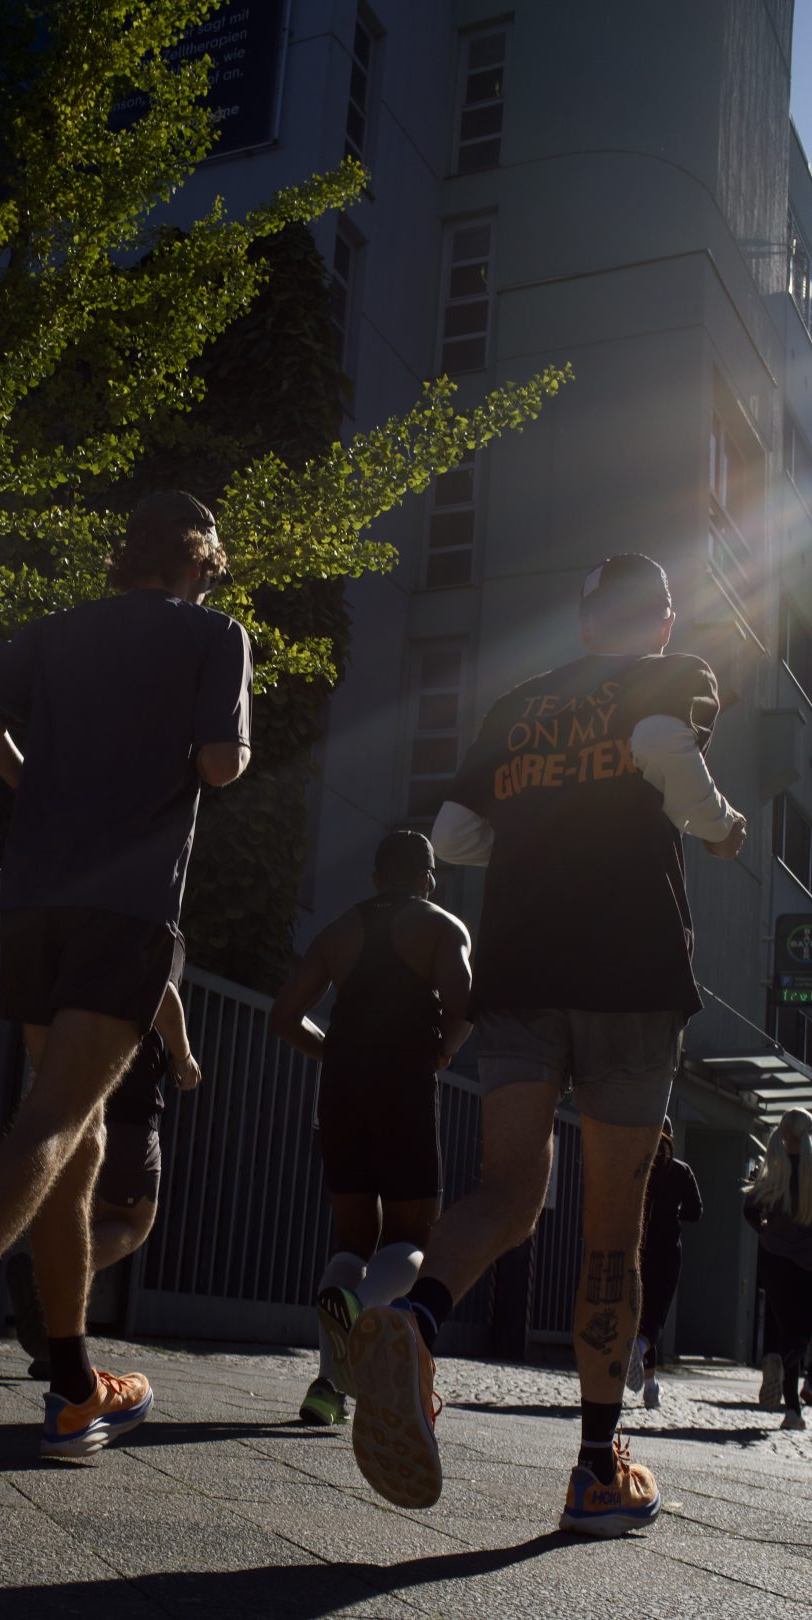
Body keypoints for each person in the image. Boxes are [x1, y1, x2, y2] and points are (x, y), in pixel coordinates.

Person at [0, 491, 252, 1487]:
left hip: (35, 897)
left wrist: (33, 783)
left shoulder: (64, 631)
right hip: (126, 902)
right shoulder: (215, 636)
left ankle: (73, 1389)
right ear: (199, 561)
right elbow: (221, 764)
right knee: (58, 1118)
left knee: (81, 1138)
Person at [343, 553, 746, 1536]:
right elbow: (663, 744)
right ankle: (597, 1470)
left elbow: (453, 834)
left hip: (520, 974)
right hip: (631, 980)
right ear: (661, 620)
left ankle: (415, 1318)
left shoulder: (518, 705)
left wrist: (539, 832)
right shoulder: (676, 673)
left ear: (583, 619)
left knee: (508, 1190)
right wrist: (724, 828)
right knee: (612, 1229)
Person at [270, 830, 472, 1426]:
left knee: (352, 1240)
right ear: (428, 880)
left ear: (377, 877)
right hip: (403, 1085)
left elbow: (283, 1016)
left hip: (341, 1089)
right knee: (412, 1240)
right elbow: (467, 1005)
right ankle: (358, 1309)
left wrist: (332, 1052)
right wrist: (443, 1049)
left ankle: (327, 1389)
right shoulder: (442, 926)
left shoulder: (337, 932)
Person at [7, 975, 201, 1377]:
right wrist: (183, 1057)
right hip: (130, 1108)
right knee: (134, 1222)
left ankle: (55, 1348)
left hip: (80, 1099)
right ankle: (44, 1275)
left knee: (83, 1217)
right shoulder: (155, 938)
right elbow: (162, 988)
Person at [625, 1116, 702, 1408]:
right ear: (671, 1134)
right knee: (657, 1314)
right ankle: (640, 1348)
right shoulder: (681, 1171)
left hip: (638, 1246)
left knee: (639, 1312)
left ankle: (650, 1386)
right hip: (668, 1250)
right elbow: (695, 1212)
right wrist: (673, 1212)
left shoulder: (638, 1165)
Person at [743, 1107, 812, 1430]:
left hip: (773, 1260)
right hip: (807, 1263)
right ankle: (783, 1364)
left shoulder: (773, 1169)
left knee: (787, 1329)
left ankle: (792, 1411)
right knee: (801, 1335)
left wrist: (766, 1230)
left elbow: (750, 1209)